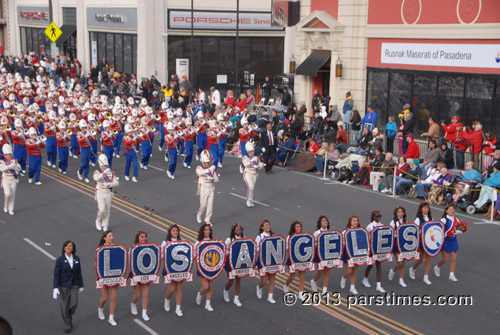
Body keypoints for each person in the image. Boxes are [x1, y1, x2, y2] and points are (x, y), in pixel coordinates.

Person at [53, 240, 84, 333]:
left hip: (74, 284)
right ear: (64, 248)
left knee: (73, 304)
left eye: (70, 246)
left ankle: (68, 317)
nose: (68, 248)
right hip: (64, 286)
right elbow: (56, 274)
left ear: (73, 248)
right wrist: (55, 287)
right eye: (67, 246)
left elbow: (79, 272)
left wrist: (81, 285)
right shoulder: (60, 260)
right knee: (64, 306)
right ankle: (68, 324)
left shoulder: (76, 258)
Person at [161, 224, 185, 316]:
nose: (175, 232)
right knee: (172, 288)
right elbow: (162, 255)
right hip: (170, 268)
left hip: (180, 268)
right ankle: (167, 299)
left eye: (176, 231)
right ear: (169, 232)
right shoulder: (165, 242)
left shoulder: (181, 241)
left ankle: (178, 308)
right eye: (173, 230)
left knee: (179, 287)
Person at [434, 205, 462, 282]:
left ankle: (451, 274)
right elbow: (437, 228)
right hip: (445, 241)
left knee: (453, 258)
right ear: (446, 211)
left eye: (453, 209)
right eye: (450, 209)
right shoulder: (444, 220)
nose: (452, 211)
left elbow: (459, 229)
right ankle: (437, 267)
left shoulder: (456, 219)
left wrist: (460, 231)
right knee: (445, 259)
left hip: (453, 240)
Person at [97, 231, 119, 326]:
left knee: (113, 297)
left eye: (112, 236)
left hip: (114, 275)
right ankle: (100, 308)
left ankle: (111, 317)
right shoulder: (100, 249)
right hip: (105, 276)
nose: (111, 237)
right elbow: (98, 264)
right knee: (105, 297)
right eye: (109, 236)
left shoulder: (117, 248)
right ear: (104, 238)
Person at [410, 202, 434, 285]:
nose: (426, 209)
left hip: (429, 242)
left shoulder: (431, 218)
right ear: (421, 209)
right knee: (420, 259)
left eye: (427, 208)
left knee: (428, 260)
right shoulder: (418, 220)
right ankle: (412, 269)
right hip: (421, 241)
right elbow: (414, 230)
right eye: (424, 208)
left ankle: (426, 277)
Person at [93, 154, 119, 231]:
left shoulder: (111, 172)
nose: (105, 167)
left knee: (107, 209)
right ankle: (98, 220)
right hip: (100, 191)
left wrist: (109, 184)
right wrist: (103, 174)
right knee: (102, 209)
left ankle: (105, 224)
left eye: (106, 165)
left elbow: (117, 183)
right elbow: (96, 178)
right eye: (104, 165)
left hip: (108, 192)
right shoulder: (97, 172)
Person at [363, 210, 386, 293]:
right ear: (373, 217)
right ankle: (365, 279)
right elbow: (365, 236)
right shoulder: (370, 226)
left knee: (379, 265)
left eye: (380, 216)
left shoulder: (382, 225)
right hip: (372, 248)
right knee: (370, 265)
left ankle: (378, 285)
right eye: (377, 216)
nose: (379, 217)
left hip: (379, 248)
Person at [130, 231, 151, 321]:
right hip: (136, 274)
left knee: (145, 294)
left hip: (147, 273)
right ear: (138, 238)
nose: (143, 239)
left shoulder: (150, 248)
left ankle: (144, 313)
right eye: (142, 237)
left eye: (145, 237)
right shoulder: (133, 248)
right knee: (138, 294)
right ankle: (133, 304)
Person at [195, 223, 216, 311]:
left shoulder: (213, 241)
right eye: (206, 230)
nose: (207, 231)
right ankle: (200, 294)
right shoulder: (198, 243)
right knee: (206, 286)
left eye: (209, 230)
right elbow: (195, 255)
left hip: (211, 267)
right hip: (202, 268)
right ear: (202, 231)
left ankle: (208, 304)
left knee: (210, 286)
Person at [283, 220, 307, 301]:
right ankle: (286, 285)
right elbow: (286, 248)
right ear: (293, 228)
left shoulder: (303, 236)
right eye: (297, 227)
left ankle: (301, 293)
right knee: (292, 277)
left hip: (302, 259)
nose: (299, 228)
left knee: (302, 276)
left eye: (300, 226)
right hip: (292, 259)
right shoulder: (289, 237)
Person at [256, 219, 277, 304]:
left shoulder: (274, 236)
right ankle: (259, 287)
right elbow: (256, 249)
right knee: (264, 280)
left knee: (272, 279)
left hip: (273, 260)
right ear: (262, 227)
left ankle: (270, 296)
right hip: (263, 261)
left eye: (269, 225)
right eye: (266, 225)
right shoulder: (259, 237)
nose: (268, 226)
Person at [223, 223, 244, 307]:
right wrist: (232, 253)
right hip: (230, 262)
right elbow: (224, 251)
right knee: (231, 280)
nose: (239, 231)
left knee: (238, 279)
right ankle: (226, 291)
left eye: (240, 229)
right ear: (233, 231)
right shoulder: (229, 240)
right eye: (237, 230)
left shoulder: (244, 239)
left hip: (239, 262)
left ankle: (236, 298)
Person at [311, 216, 332, 294]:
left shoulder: (329, 231)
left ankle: (324, 290)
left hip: (328, 254)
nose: (325, 222)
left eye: (326, 220)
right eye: (323, 221)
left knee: (327, 271)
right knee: (321, 271)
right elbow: (314, 243)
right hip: (320, 254)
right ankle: (314, 281)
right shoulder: (317, 233)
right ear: (320, 223)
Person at [196, 150, 218, 225]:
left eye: (208, 162)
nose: (207, 164)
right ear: (202, 162)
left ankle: (207, 219)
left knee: (210, 204)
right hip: (203, 188)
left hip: (211, 188)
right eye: (205, 162)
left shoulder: (212, 169)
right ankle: (199, 214)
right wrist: (209, 170)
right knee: (203, 204)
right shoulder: (199, 168)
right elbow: (200, 173)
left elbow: (216, 179)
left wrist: (213, 177)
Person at [340, 216, 361, 295]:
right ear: (350, 222)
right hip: (348, 252)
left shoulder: (360, 231)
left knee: (354, 270)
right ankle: (344, 277)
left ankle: (352, 287)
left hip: (356, 252)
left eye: (356, 221)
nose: (355, 222)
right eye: (354, 221)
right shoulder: (345, 232)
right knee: (349, 270)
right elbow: (342, 242)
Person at [388, 206, 408, 288]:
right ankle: (393, 271)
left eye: (402, 212)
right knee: (400, 262)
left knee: (403, 262)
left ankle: (401, 279)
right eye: (399, 212)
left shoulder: (405, 221)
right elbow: (390, 233)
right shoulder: (393, 222)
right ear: (396, 213)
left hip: (404, 243)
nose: (400, 214)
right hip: (396, 243)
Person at [242, 142, 264, 207]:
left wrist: (258, 166)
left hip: (254, 174)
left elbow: (261, 164)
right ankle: (248, 200)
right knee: (250, 187)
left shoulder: (256, 157)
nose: (252, 152)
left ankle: (251, 200)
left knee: (252, 188)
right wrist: (251, 160)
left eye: (253, 151)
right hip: (247, 173)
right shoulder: (245, 157)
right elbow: (246, 164)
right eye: (251, 151)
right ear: (248, 151)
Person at [0, 144, 20, 215]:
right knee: (7, 193)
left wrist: (13, 166)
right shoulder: (2, 162)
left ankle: (11, 209)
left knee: (12, 194)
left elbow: (19, 168)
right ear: (5, 155)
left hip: (13, 179)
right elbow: (1, 168)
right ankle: (6, 205)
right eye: (7, 155)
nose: (9, 156)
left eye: (10, 154)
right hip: (5, 179)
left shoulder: (14, 161)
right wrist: (9, 166)